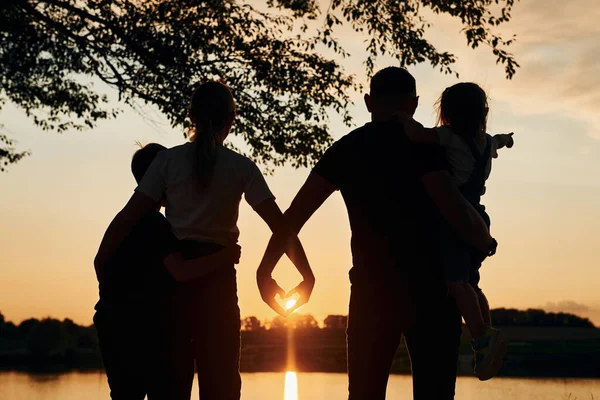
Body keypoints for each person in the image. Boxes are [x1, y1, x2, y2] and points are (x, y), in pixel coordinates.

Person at [257, 67, 498, 399]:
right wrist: (485, 242)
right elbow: (456, 210)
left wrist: (265, 269)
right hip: (432, 292)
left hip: (372, 292)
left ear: (368, 101)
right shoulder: (430, 147)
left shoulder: (347, 149)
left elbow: (293, 218)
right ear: (413, 105)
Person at [94, 81, 314, 400]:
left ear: (190, 117)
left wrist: (102, 262)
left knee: (172, 386)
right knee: (221, 384)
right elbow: (281, 227)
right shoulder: (241, 167)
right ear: (231, 120)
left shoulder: (167, 163)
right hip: (217, 279)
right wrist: (301, 274)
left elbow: (127, 218)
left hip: (174, 285)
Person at [94, 143, 241, 400]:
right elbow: (180, 271)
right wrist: (224, 257)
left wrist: (114, 299)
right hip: (150, 332)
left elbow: (99, 262)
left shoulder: (121, 223)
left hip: (113, 324)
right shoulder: (156, 226)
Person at [397, 82, 514, 380]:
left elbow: (417, 135)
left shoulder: (446, 136)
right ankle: (487, 334)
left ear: (447, 112)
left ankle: (481, 340)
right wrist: (506, 140)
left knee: (456, 281)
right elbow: (499, 141)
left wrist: (401, 116)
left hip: (455, 216)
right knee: (471, 283)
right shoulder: (486, 141)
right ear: (482, 112)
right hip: (479, 215)